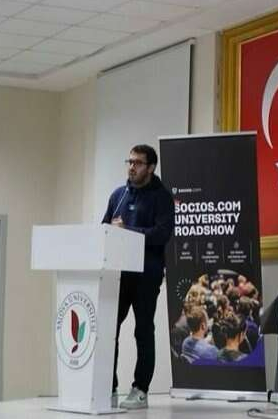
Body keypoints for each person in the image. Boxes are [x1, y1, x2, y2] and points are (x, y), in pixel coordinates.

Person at [102, 144, 174, 410]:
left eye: (138, 163)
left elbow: (161, 234)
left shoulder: (161, 197)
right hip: (119, 275)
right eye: (129, 162)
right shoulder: (118, 195)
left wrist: (128, 232)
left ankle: (140, 389)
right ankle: (107, 386)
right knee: (109, 329)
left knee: (143, 330)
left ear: (151, 167)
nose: (132, 167)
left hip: (147, 275)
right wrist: (112, 231)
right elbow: (104, 229)